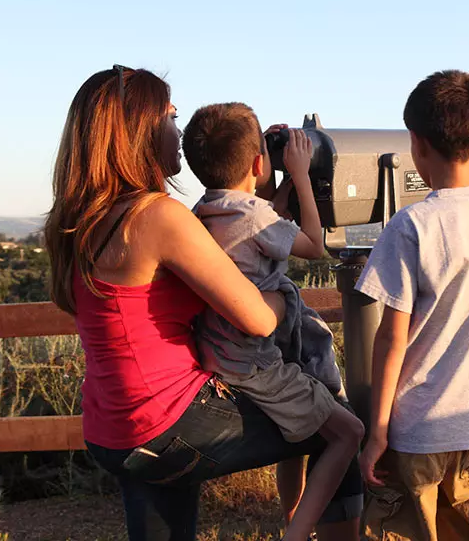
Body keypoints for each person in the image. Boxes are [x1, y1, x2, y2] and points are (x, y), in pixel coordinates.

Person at [44, 66, 364, 541]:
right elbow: (257, 319)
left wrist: (264, 183)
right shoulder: (156, 216)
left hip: (113, 426)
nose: (179, 131)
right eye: (170, 116)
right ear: (140, 131)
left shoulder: (80, 220)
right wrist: (284, 297)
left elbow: (244, 231)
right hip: (168, 421)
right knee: (335, 424)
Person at [180, 103, 363, 538]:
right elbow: (313, 245)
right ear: (260, 162)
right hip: (254, 362)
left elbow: (268, 220)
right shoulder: (253, 215)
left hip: (219, 351)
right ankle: (297, 533)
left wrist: (278, 183)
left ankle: (291, 518)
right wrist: (300, 174)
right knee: (348, 432)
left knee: (298, 443)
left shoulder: (207, 211)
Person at [356, 70, 469, 540]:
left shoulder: (410, 225)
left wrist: (378, 431)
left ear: (416, 144)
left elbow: (391, 338)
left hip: (417, 431)